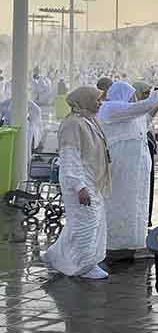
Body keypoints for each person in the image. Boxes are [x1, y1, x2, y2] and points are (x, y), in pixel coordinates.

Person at [41, 87, 112, 280]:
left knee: (84, 222)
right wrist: (80, 186)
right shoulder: (73, 124)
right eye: (97, 100)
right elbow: (69, 157)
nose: (100, 103)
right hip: (79, 181)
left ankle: (54, 255)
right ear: (85, 100)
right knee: (86, 223)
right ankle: (85, 266)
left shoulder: (89, 120)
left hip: (91, 179)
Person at [97, 81, 158, 261]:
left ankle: (135, 243)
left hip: (137, 171)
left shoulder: (129, 112)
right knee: (119, 204)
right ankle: (114, 245)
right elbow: (140, 108)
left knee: (136, 206)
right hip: (122, 167)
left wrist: (154, 109)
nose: (133, 99)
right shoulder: (110, 108)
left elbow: (144, 120)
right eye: (131, 95)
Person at [133, 81, 158, 228]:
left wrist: (154, 134)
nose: (146, 96)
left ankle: (145, 220)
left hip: (147, 153)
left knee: (147, 187)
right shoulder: (132, 110)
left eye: (148, 93)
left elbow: (148, 125)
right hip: (137, 156)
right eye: (144, 93)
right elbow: (142, 123)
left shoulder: (143, 109)